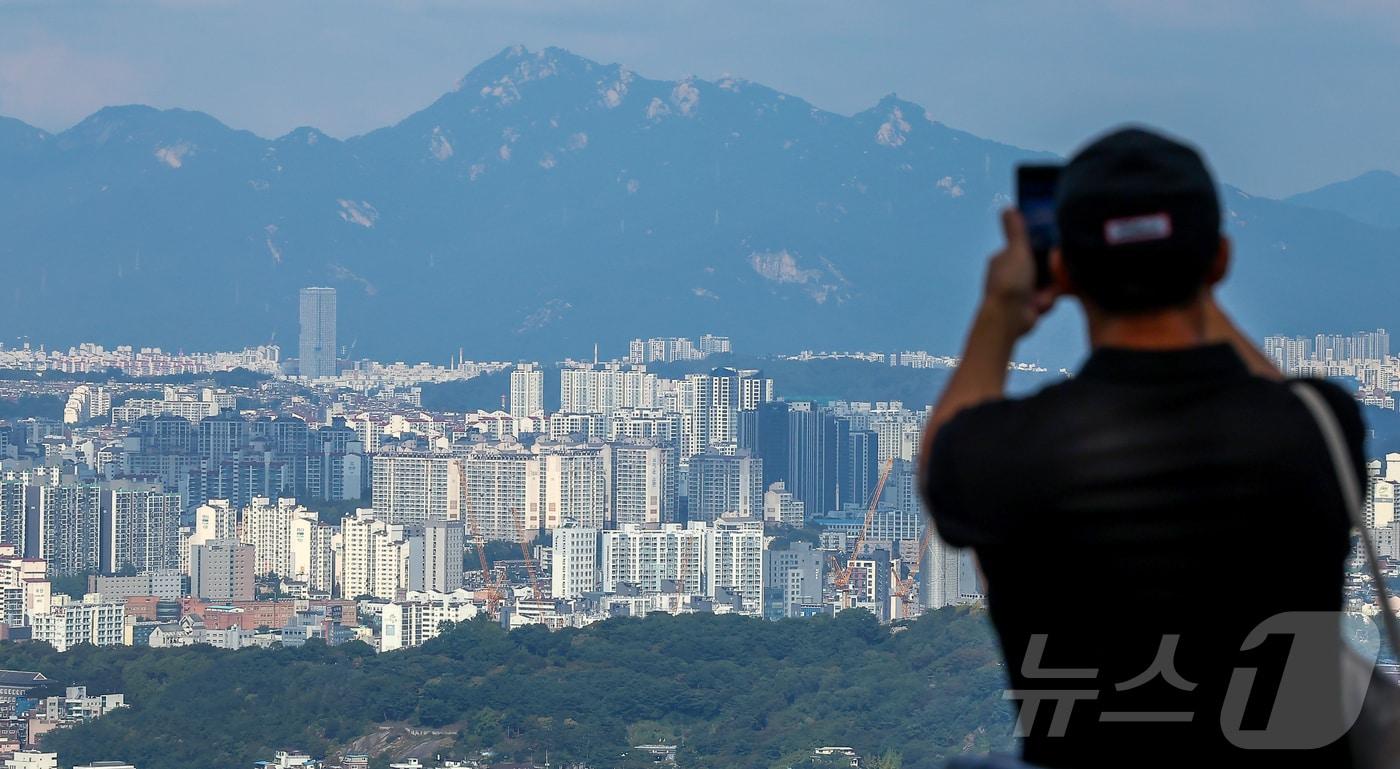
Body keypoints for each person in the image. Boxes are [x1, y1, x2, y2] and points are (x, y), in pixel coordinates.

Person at [919, 128, 1364, 768]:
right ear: (1218, 262)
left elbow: (943, 463)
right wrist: (1193, 285)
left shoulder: (1006, 452)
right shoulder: (1319, 427)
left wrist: (999, 312)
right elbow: (1286, 403)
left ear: (1064, 271)